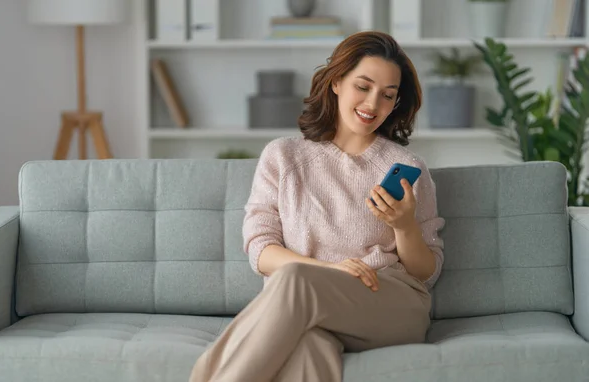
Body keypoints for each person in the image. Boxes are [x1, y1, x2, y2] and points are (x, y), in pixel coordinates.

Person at [189, 30, 445, 382]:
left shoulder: (407, 168)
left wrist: (404, 227)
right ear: (337, 82)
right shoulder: (283, 156)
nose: (373, 104)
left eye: (387, 95)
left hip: (390, 302)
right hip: (307, 306)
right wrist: (329, 272)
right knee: (309, 345)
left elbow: (426, 272)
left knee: (296, 282)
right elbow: (260, 250)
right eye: (363, 86)